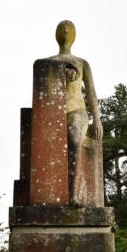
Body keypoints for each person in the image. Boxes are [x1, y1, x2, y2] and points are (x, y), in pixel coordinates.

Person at [50, 20, 103, 206]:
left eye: (69, 27)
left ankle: (73, 196)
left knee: (74, 142)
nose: (65, 29)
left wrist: (97, 119)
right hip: (53, 112)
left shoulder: (81, 62)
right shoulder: (47, 63)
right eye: (61, 28)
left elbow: (91, 92)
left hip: (76, 110)